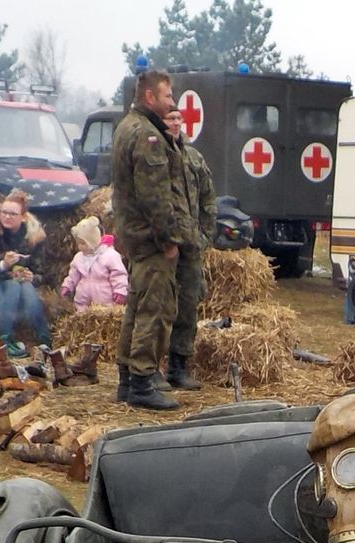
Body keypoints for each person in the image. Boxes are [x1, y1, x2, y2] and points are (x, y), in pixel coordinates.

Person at [110, 67, 197, 410]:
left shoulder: (128, 127)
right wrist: (169, 239)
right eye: (167, 96)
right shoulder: (147, 136)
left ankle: (127, 378)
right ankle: (143, 381)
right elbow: (155, 197)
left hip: (135, 235)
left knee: (136, 304)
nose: (172, 102)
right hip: (151, 239)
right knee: (153, 309)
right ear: (150, 97)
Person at [162, 107, 217, 390]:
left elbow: (208, 198)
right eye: (169, 118)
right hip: (163, 245)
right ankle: (149, 367)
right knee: (159, 305)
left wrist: (204, 235)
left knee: (187, 306)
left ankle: (178, 366)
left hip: (191, 246)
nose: (174, 123)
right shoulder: (156, 155)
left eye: (177, 119)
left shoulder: (194, 157)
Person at [0, 190, 51, 358]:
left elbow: (43, 272)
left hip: (20, 294)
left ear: (23, 217)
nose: (7, 217)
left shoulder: (33, 237)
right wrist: (2, 265)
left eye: (12, 214)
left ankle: (44, 339)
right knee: (13, 284)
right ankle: (5, 338)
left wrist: (32, 277)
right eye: (4, 212)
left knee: (26, 285)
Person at [60, 216, 129, 310]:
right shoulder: (79, 257)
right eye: (78, 243)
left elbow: (118, 274)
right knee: (81, 312)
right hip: (83, 294)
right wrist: (67, 285)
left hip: (103, 295)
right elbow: (73, 275)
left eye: (83, 243)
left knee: (104, 313)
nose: (80, 247)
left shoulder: (109, 255)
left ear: (92, 241)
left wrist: (120, 291)